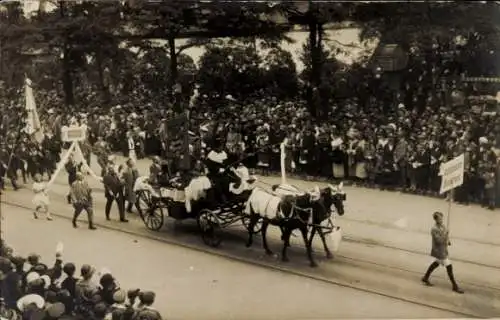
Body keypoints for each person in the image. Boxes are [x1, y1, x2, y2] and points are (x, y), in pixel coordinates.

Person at [421, 211, 464, 293]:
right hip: (439, 251)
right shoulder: (434, 229)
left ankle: (425, 278)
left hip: (443, 249)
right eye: (440, 219)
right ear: (436, 220)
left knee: (436, 263)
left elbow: (445, 238)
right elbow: (438, 241)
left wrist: (448, 240)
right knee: (449, 267)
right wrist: (445, 234)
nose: (441, 220)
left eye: (442, 218)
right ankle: (454, 286)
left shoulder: (443, 226)